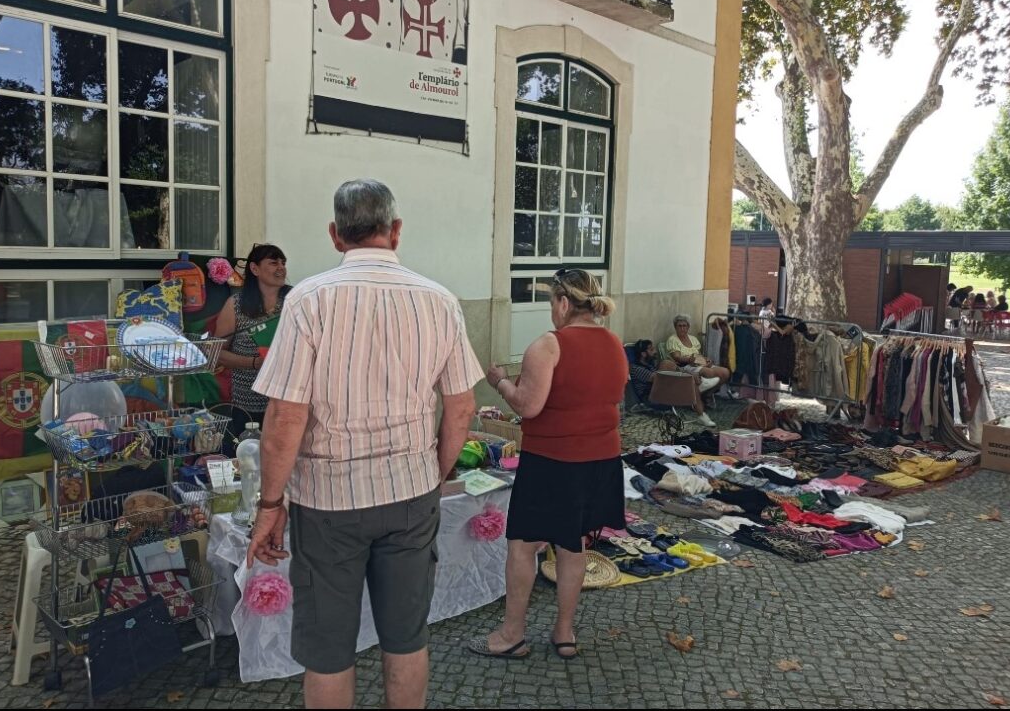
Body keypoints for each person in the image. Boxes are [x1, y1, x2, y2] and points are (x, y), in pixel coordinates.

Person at [246, 180, 483, 710]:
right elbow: (462, 407)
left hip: (329, 501)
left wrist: (269, 504)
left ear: (336, 235)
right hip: (411, 492)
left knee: (329, 647)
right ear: (396, 232)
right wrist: (436, 476)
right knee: (406, 636)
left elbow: (285, 416)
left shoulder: (308, 300)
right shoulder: (439, 301)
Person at [470, 269, 627, 662]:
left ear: (561, 303)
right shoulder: (613, 343)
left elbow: (528, 405)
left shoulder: (549, 345)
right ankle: (564, 633)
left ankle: (511, 634)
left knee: (523, 546)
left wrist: (500, 382)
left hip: (554, 460)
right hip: (600, 459)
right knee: (572, 547)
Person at [214, 244, 292, 434]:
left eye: (283, 263)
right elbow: (215, 352)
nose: (281, 267)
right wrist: (255, 363)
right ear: (255, 268)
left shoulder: (295, 300)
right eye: (273, 263)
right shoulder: (236, 305)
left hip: (288, 400)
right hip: (248, 404)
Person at [666, 314, 733, 396]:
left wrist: (707, 360)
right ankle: (697, 395)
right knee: (708, 372)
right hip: (684, 366)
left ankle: (708, 394)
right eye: (679, 326)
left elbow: (699, 355)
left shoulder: (693, 339)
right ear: (675, 327)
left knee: (725, 372)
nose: (682, 328)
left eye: (684, 326)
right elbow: (677, 357)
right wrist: (689, 359)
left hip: (698, 364)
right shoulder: (673, 339)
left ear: (688, 327)